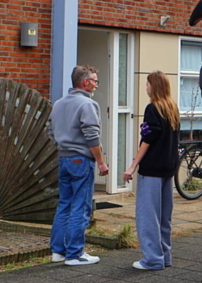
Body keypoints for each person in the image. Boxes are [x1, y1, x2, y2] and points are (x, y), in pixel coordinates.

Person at [49, 66, 109, 266]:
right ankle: (75, 254)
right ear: (85, 82)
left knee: (64, 204)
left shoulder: (58, 104)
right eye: (95, 81)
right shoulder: (88, 104)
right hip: (81, 160)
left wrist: (63, 147)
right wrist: (101, 162)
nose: (96, 85)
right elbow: (92, 136)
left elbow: (50, 131)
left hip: (64, 158)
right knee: (81, 206)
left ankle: (58, 251)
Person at [123, 71, 180, 270]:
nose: (146, 87)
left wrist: (133, 165)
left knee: (148, 216)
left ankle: (153, 259)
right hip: (168, 168)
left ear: (153, 86)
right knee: (164, 216)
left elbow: (148, 139)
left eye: (147, 84)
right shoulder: (172, 108)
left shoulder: (152, 108)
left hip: (152, 168)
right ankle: (165, 256)